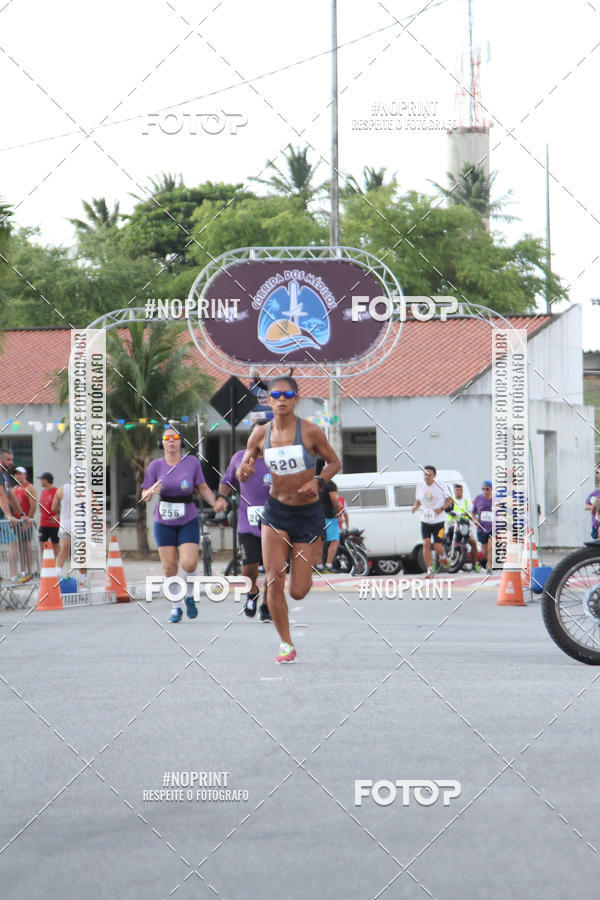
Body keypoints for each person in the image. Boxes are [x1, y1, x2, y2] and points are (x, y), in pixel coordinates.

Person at [237, 376, 340, 663]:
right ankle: (286, 643)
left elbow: (335, 463)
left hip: (307, 514)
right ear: (267, 400)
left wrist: (318, 481)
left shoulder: (310, 432)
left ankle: (306, 566)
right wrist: (244, 472)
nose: (281, 399)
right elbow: (243, 468)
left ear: (297, 399)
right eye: (275, 395)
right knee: (273, 578)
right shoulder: (260, 434)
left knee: (298, 591)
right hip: (276, 512)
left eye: (288, 394)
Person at [141, 426, 218, 623]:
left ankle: (189, 596)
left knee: (189, 563)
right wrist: (151, 490)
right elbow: (144, 496)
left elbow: (202, 487)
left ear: (181, 442)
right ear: (162, 443)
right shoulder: (155, 466)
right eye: (167, 438)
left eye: (175, 437)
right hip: (163, 521)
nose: (171, 441)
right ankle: (175, 607)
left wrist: (215, 503)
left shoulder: (191, 463)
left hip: (187, 517)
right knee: (169, 568)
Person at [215, 419, 272, 621]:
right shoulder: (240, 458)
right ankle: (252, 591)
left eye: (265, 434)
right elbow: (227, 481)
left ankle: (267, 604)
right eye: (257, 435)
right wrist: (221, 498)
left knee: (274, 569)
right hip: (248, 524)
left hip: (276, 524)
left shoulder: (277, 459)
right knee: (249, 567)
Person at [411, 465, 452, 578]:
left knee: (437, 546)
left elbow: (450, 499)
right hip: (425, 520)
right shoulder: (420, 486)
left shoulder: (440, 485)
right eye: (425, 474)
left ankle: (443, 557)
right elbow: (418, 501)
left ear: (434, 475)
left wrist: (441, 508)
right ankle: (429, 570)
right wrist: (415, 507)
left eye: (429, 474)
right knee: (426, 543)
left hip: (439, 521)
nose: (426, 477)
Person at [447, 483, 481, 573]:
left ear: (462, 491)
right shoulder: (451, 501)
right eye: (457, 490)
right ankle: (436, 564)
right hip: (452, 526)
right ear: (454, 491)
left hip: (463, 526)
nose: (458, 492)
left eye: (460, 490)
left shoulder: (467, 502)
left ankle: (475, 564)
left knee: (473, 543)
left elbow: (471, 512)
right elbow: (446, 510)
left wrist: (472, 517)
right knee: (440, 541)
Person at [315, 458, 342, 571]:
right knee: (334, 540)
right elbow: (334, 501)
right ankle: (329, 565)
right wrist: (340, 513)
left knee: (319, 541)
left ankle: (319, 566)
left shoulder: (312, 483)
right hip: (329, 516)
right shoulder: (329, 484)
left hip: (315, 516)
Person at [14, 467, 37, 578]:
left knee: (26, 546)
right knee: (20, 547)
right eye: (16, 474)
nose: (18, 476)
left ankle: (29, 570)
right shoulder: (15, 488)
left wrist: (29, 520)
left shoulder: (29, 488)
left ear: (25, 475)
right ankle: (23, 569)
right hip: (17, 521)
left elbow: (33, 505)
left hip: (26, 521)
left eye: (20, 474)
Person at [52, 477, 72, 578]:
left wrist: (61, 512)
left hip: (65, 523)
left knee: (64, 550)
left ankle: (57, 573)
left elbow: (53, 508)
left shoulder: (61, 489)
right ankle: (82, 578)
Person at [472, 480, 494, 571]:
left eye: (487, 489)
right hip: (481, 528)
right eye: (483, 489)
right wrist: (474, 519)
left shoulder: (495, 500)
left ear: (491, 489)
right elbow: (473, 512)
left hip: (492, 528)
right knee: (484, 550)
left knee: (490, 547)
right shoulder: (478, 498)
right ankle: (486, 562)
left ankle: (489, 566)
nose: (485, 491)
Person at [38, 472, 59, 559]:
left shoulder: (56, 491)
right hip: (43, 523)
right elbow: (40, 504)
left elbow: (62, 505)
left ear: (46, 480)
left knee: (55, 545)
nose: (40, 481)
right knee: (42, 544)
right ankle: (44, 563)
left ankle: (57, 564)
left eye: (42, 479)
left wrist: (57, 516)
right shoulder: (43, 491)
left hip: (54, 524)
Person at [584, 464, 600, 539]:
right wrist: (593, 507)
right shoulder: (594, 493)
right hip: (596, 527)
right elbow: (586, 506)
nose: (598, 474)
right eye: (597, 472)